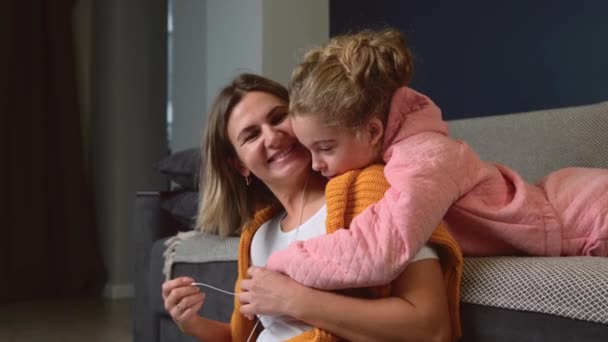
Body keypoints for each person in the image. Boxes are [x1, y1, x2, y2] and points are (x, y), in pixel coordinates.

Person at [265, 28, 608, 291]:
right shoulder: (397, 156)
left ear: (372, 131)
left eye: (324, 148)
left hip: (586, 213)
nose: (315, 164)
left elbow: (380, 249)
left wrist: (281, 263)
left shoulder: (424, 158)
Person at [162, 74, 461, 341]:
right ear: (239, 164)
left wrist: (295, 300)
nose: (273, 136)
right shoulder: (256, 237)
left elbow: (431, 328)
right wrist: (192, 324)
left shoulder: (371, 190)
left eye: (279, 117)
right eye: (252, 135)